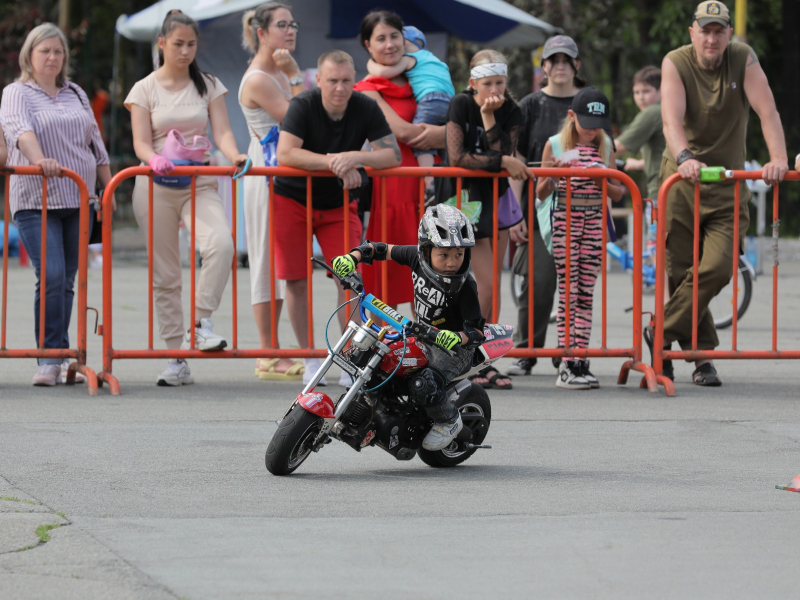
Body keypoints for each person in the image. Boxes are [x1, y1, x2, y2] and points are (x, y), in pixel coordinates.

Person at [657, 1, 788, 385]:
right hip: (682, 182)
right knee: (681, 273)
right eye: (705, 30)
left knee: (718, 267)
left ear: (729, 34)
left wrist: (777, 158)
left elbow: (768, 112)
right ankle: (700, 360)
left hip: (727, 185)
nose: (711, 38)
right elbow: (670, 118)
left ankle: (658, 336)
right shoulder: (675, 61)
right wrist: (684, 157)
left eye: (719, 31)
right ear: (692, 32)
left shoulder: (743, 58)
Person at [125, 10, 248, 386]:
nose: (185, 50)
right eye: (177, 43)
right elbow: (141, 142)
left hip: (199, 182)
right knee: (166, 276)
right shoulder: (144, 88)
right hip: (156, 184)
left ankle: (201, 321)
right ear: (161, 44)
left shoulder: (208, 84)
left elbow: (223, 131)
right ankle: (175, 357)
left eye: (191, 44)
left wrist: (235, 154)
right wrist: (154, 158)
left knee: (221, 245)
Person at [274, 50, 402, 386]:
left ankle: (350, 356)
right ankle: (308, 356)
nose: (340, 88)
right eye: (332, 80)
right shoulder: (303, 104)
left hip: (338, 204)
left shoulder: (364, 106)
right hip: (291, 198)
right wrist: (337, 162)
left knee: (350, 277)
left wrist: (353, 159)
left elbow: (392, 154)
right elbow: (286, 152)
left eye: (346, 80)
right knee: (296, 280)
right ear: (318, 80)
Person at [0, 23, 111, 387]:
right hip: (37, 197)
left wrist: (107, 188)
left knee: (66, 280)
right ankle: (49, 356)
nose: (52, 57)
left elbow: (95, 143)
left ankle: (65, 356)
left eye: (58, 51)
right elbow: (19, 130)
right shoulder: (17, 92)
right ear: (29, 56)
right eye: (44, 51)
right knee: (50, 273)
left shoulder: (75, 93)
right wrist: (40, 159)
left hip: (79, 197)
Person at [330, 204, 485, 451]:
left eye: (459, 254)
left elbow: (477, 331)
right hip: (421, 336)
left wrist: (454, 338)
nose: (452, 263)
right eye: (443, 254)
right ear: (425, 250)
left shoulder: (466, 287)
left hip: (453, 350)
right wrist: (353, 256)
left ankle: (448, 421)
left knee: (422, 385)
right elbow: (380, 249)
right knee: (374, 353)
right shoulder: (416, 257)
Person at [445, 48, 531, 390]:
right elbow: (458, 156)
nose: (494, 90)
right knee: (472, 285)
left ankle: (481, 358)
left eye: (499, 82)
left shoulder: (512, 110)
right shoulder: (460, 104)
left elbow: (506, 153)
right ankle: (465, 357)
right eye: (487, 83)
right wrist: (502, 163)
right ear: (473, 83)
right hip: (461, 199)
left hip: (492, 203)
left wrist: (490, 118)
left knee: (488, 287)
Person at [355, 10, 447, 312]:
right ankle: (389, 351)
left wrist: (444, 133)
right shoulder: (367, 89)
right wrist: (445, 134)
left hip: (429, 186)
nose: (390, 44)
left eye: (394, 36)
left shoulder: (418, 77)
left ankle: (429, 351)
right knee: (390, 273)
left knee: (434, 274)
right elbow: (404, 132)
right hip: (391, 188)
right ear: (368, 45)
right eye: (380, 38)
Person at [506, 35, 584, 377]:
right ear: (545, 67)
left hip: (582, 208)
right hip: (537, 209)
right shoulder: (528, 105)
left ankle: (569, 351)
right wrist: (514, 212)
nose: (561, 65)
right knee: (538, 283)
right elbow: (517, 161)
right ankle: (527, 350)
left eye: (568, 60)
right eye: (555, 60)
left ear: (577, 66)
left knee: (575, 285)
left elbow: (604, 153)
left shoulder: (588, 102)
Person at [537, 88, 623, 390]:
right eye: (586, 123)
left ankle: (581, 357)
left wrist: (601, 175)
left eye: (597, 123)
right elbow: (540, 192)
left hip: (594, 221)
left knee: (586, 291)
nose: (592, 130)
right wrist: (555, 175)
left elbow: (619, 190)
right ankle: (567, 359)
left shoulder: (605, 144)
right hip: (565, 220)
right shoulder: (555, 145)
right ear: (571, 116)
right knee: (568, 291)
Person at [240, 2, 306, 381]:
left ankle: (274, 349)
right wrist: (297, 77)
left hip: (283, 172)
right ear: (261, 33)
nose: (291, 30)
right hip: (266, 173)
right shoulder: (261, 78)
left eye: (293, 24)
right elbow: (302, 118)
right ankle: (268, 352)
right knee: (266, 258)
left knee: (281, 261)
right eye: (282, 25)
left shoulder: (278, 72)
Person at [365, 24, 454, 194]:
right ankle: (443, 180)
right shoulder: (433, 59)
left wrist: (370, 62)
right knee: (445, 148)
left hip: (431, 100)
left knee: (421, 138)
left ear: (404, 44)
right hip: (449, 101)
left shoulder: (410, 59)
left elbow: (382, 73)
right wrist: (449, 136)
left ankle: (429, 182)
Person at [615, 66, 665, 201]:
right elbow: (665, 156)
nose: (640, 97)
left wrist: (588, 153)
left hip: (660, 192)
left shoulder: (652, 112)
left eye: (646, 91)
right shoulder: (669, 109)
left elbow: (617, 147)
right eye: (636, 92)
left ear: (661, 90)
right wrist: (639, 164)